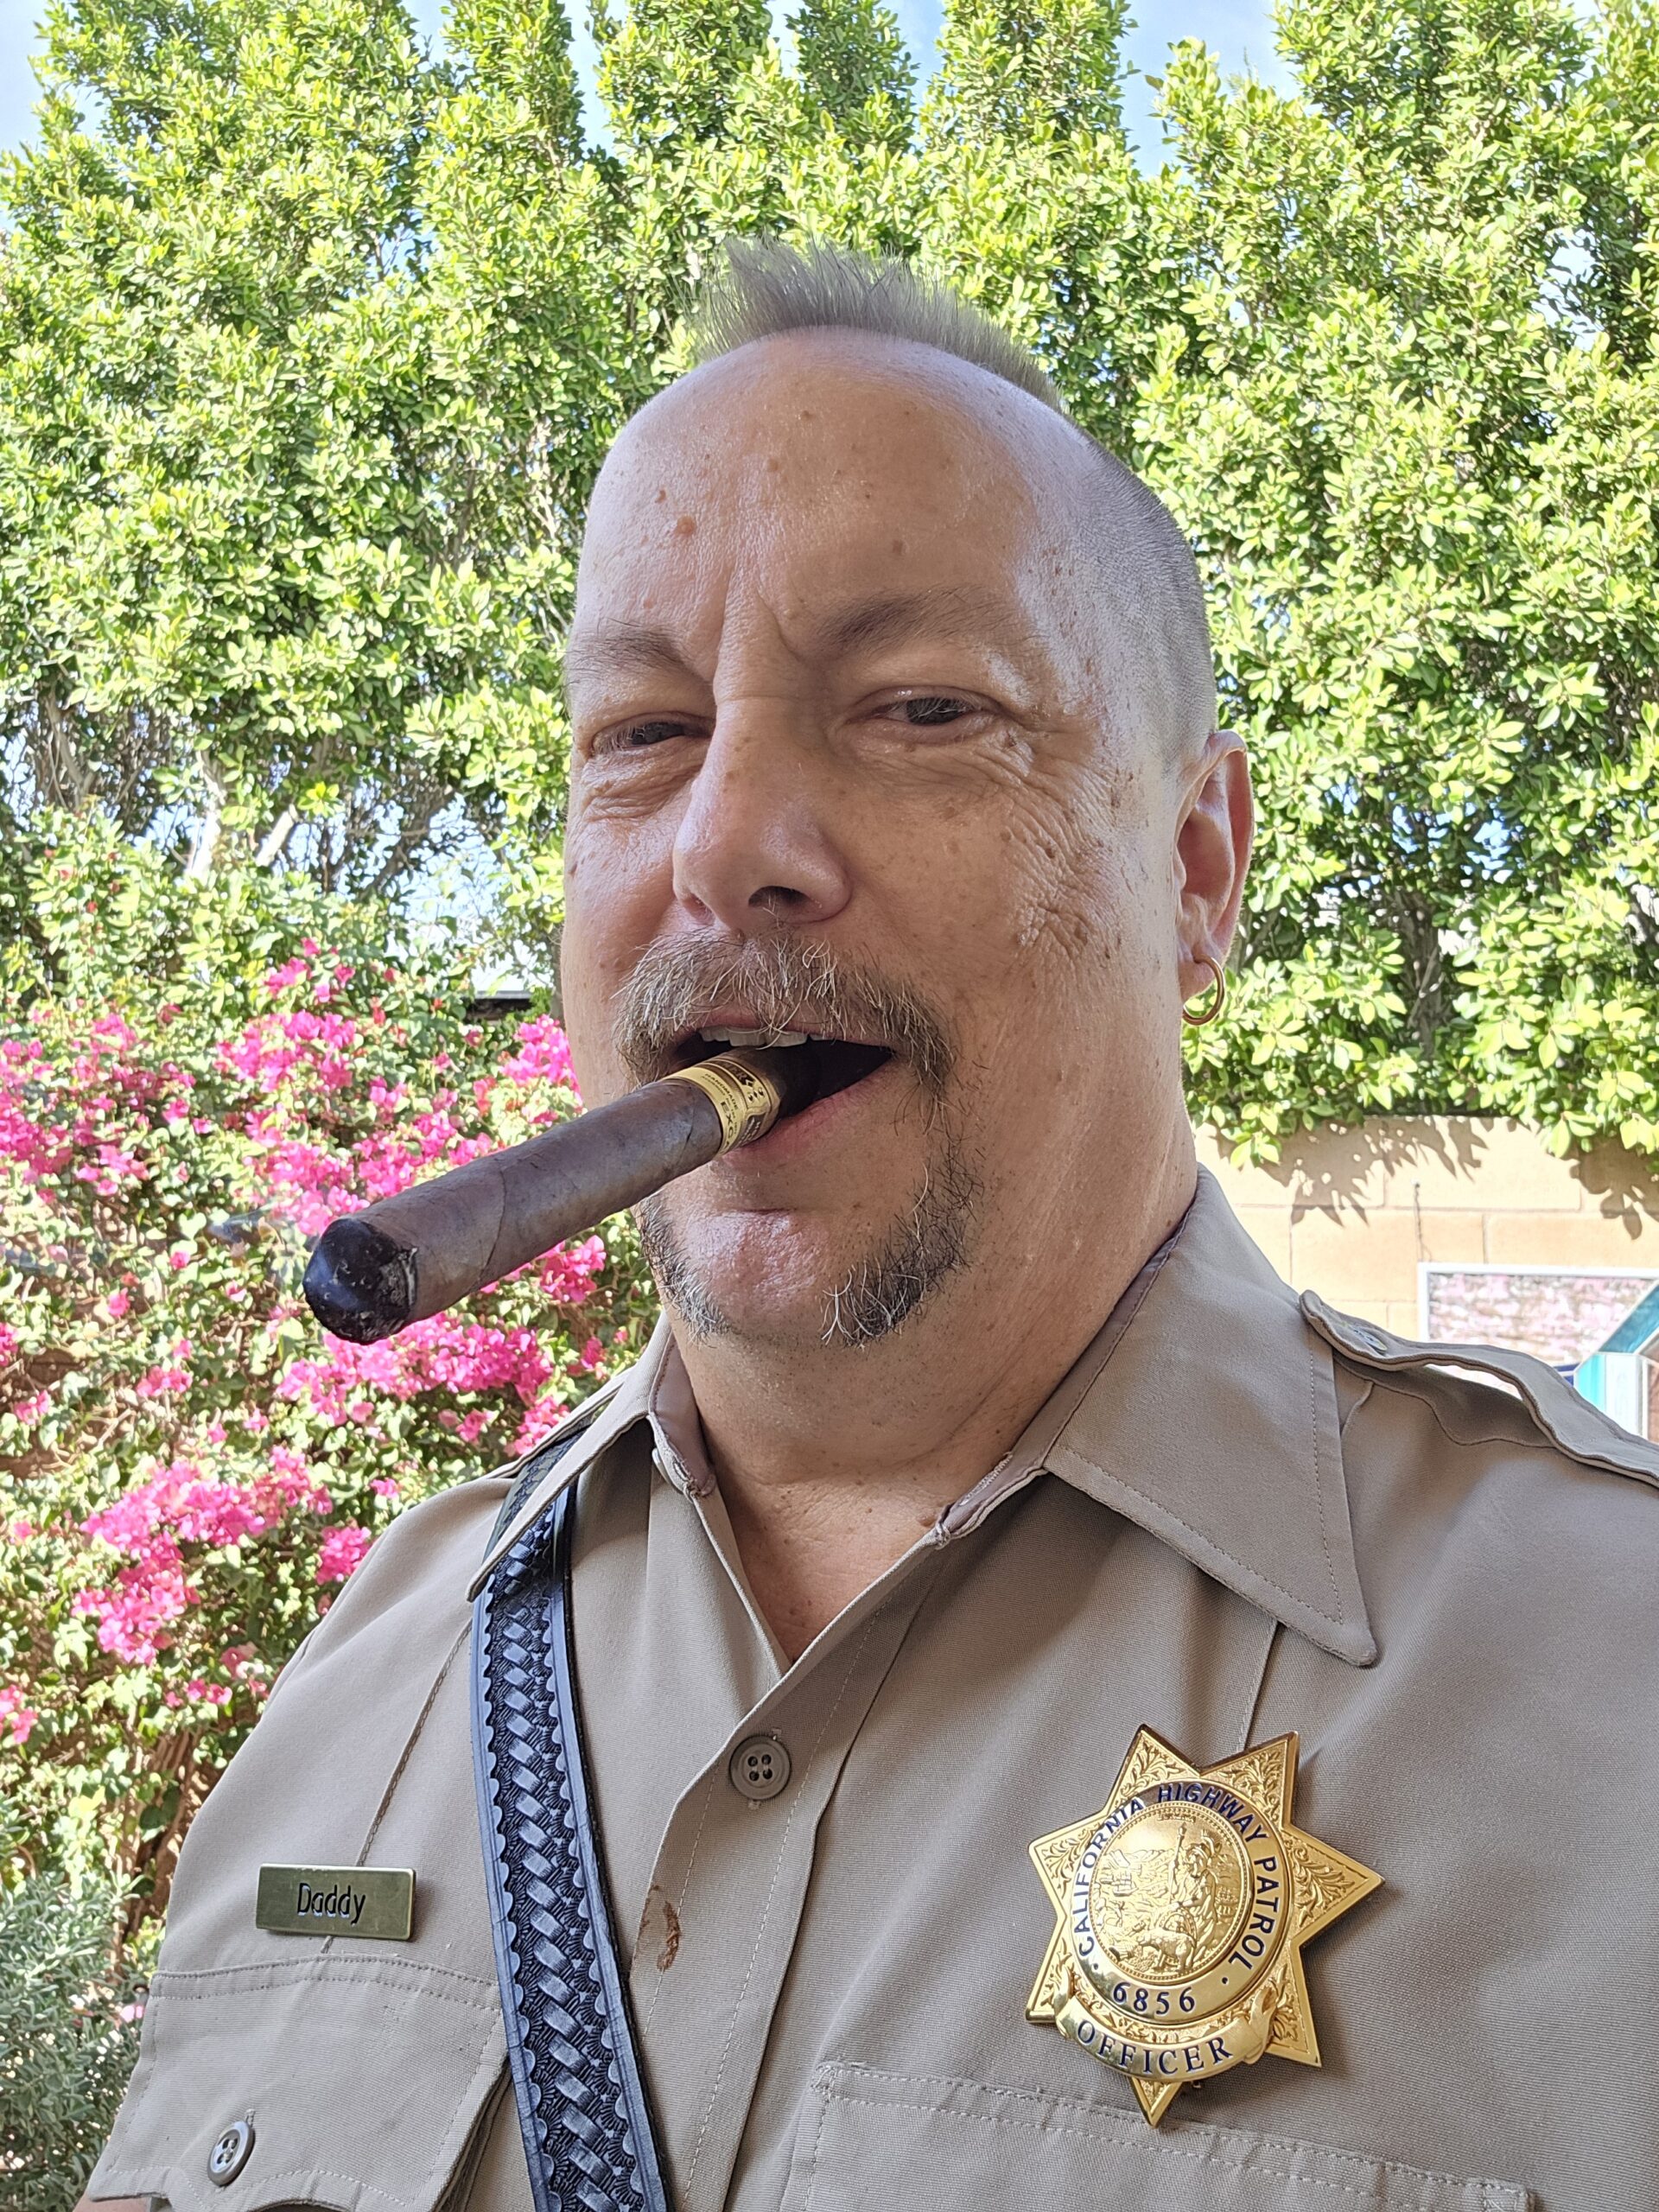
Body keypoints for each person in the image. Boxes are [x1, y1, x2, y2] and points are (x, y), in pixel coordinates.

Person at [84, 238, 1658, 2212]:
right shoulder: (370, 1672)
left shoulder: (1615, 1684)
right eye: (640, 733)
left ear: (1194, 871)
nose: (726, 840)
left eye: (922, 708)